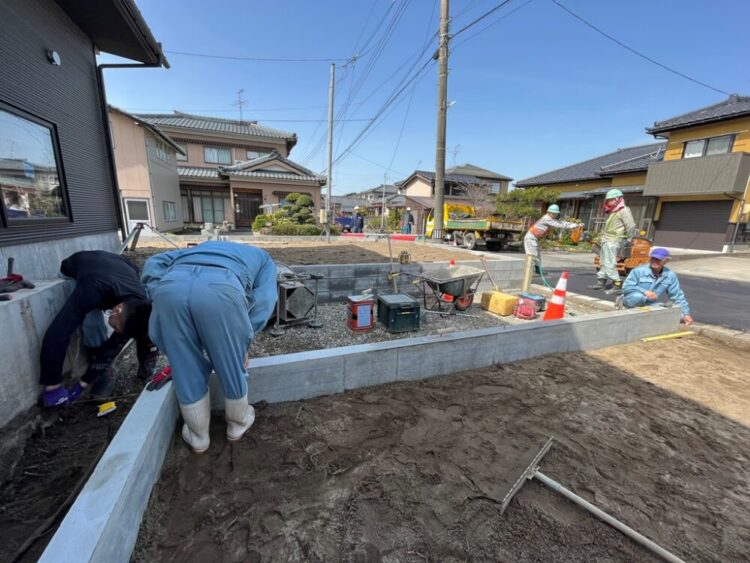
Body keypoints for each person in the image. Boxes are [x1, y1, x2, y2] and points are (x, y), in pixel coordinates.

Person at [142, 241, 277, 453]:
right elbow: (266, 299)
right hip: (221, 288)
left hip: (170, 288)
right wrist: (242, 340)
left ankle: (198, 437)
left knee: (183, 362)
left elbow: (154, 262)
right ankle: (237, 424)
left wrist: (157, 291)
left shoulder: (196, 249)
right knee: (231, 362)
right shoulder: (263, 258)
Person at [40, 251, 155, 407]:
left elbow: (117, 343)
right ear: (117, 310)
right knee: (91, 322)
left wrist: (82, 383)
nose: (114, 329)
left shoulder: (139, 302)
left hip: (120, 265)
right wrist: (52, 385)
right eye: (114, 326)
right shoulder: (91, 290)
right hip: (78, 268)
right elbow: (58, 332)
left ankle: (107, 368)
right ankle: (97, 362)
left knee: (139, 327)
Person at [617, 247, 694, 326]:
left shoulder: (670, 275)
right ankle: (626, 309)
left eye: (658, 259)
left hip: (649, 304)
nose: (654, 261)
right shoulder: (638, 271)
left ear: (666, 261)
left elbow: (677, 296)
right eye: (653, 258)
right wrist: (644, 291)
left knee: (677, 315)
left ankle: (644, 315)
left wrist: (686, 314)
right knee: (638, 296)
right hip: (630, 300)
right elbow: (626, 287)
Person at [588, 189, 636, 295]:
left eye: (610, 200)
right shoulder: (613, 211)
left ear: (617, 199)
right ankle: (601, 282)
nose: (608, 202)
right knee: (603, 262)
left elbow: (631, 226)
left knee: (610, 263)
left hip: (614, 240)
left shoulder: (624, 210)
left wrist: (628, 240)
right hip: (606, 239)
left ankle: (617, 285)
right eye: (607, 200)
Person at [523, 204, 579, 273]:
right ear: (549, 212)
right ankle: (528, 272)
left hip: (534, 238)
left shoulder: (551, 219)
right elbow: (558, 224)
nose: (555, 215)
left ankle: (537, 269)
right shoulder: (546, 218)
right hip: (530, 237)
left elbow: (560, 222)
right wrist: (571, 226)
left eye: (556, 214)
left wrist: (573, 224)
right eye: (554, 214)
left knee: (537, 254)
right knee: (532, 255)